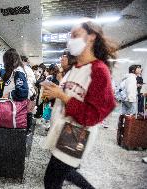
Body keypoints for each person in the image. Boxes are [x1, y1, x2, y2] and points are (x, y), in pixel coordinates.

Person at [42, 21, 116, 189]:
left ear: (91, 37)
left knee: (51, 180)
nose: (71, 40)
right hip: (62, 129)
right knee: (65, 172)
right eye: (70, 36)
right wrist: (56, 92)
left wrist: (62, 96)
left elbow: (92, 116)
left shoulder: (98, 70)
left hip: (76, 133)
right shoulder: (75, 68)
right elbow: (70, 93)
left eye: (76, 35)